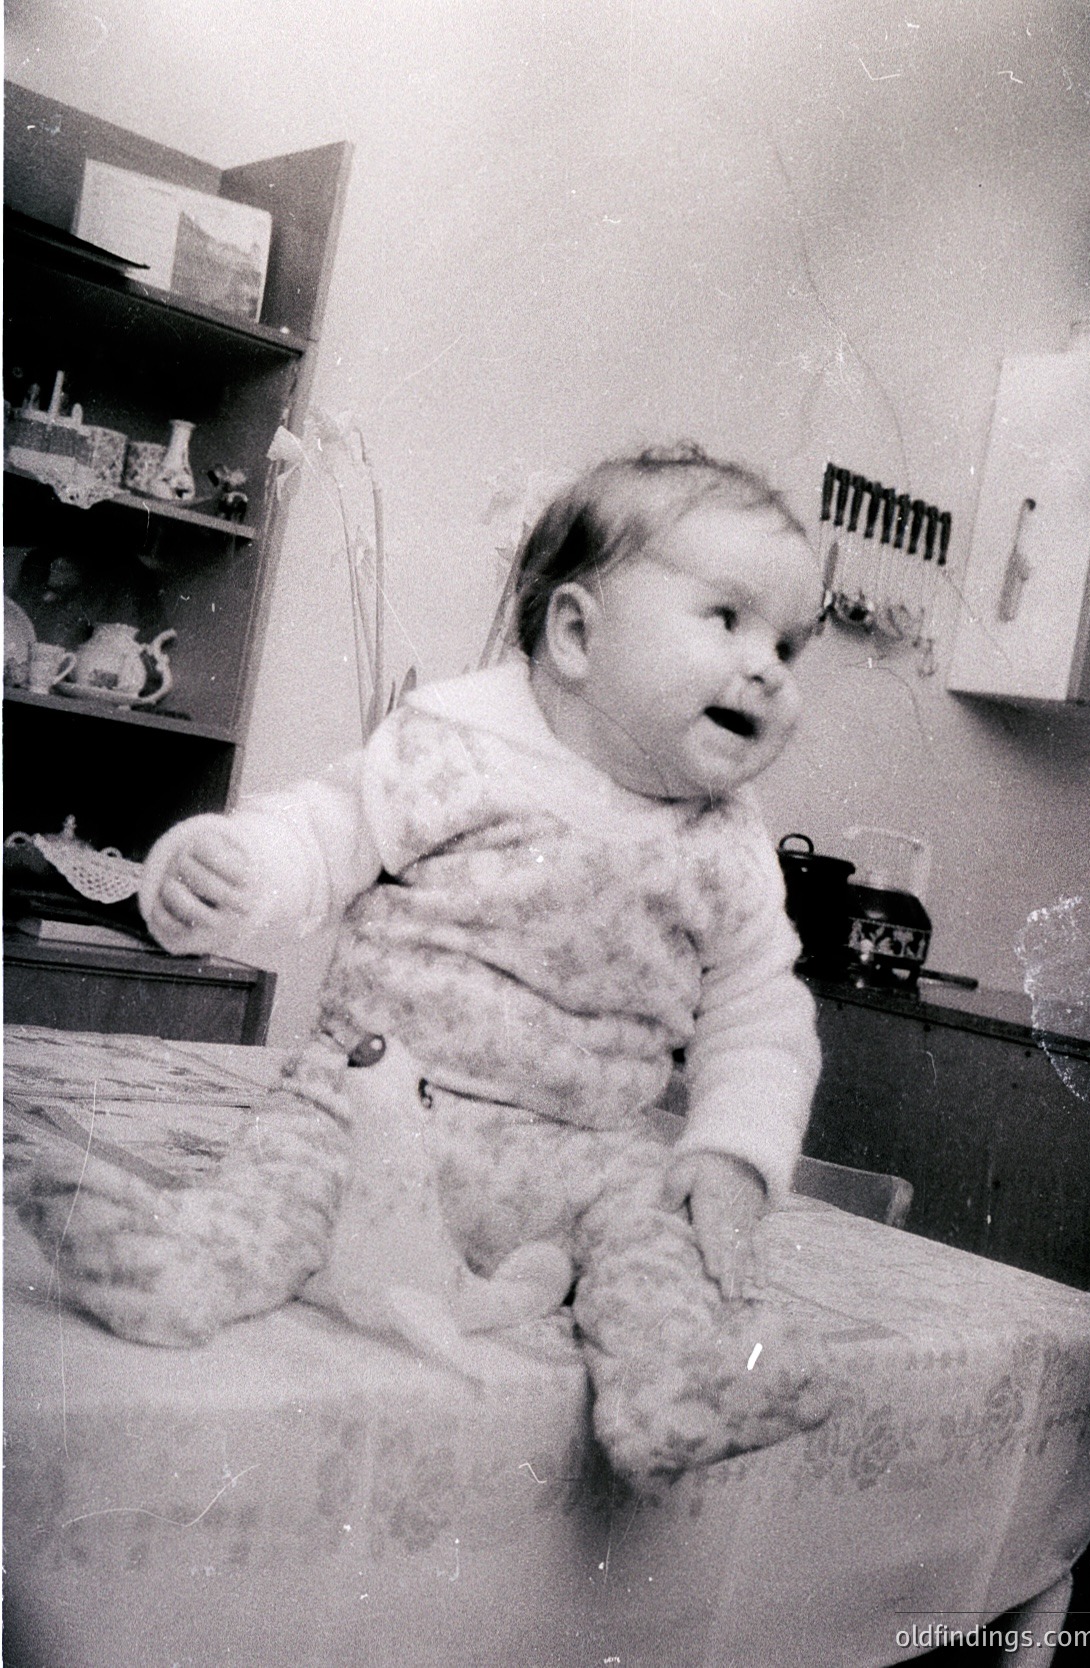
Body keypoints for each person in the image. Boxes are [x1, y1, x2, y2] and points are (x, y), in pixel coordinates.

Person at [20, 443, 832, 1493]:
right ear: (577, 633)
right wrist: (224, 874)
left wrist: (733, 1153)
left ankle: (672, 1388)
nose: (767, 665)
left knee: (653, 1231)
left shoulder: (726, 846)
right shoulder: (455, 741)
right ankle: (179, 1266)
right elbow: (318, 835)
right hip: (377, 1102)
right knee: (285, 1178)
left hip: (575, 1158)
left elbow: (758, 1014)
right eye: (727, 619)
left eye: (788, 643)